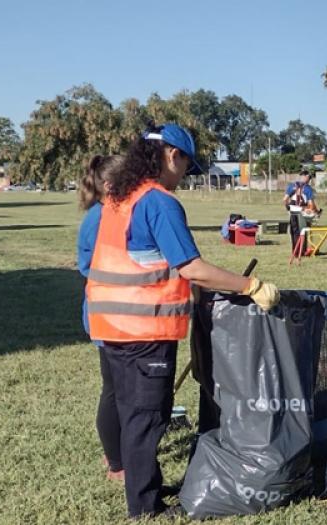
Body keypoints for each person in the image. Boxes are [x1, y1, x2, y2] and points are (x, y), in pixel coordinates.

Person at [85, 123, 280, 519]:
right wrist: (250, 285)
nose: (182, 180)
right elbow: (192, 267)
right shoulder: (158, 202)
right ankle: (145, 507)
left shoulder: (118, 198)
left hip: (110, 327)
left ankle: (144, 485)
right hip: (144, 330)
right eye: (186, 167)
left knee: (130, 412)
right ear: (172, 155)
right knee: (147, 419)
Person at [76, 154, 127, 482]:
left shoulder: (107, 213)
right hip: (108, 315)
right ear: (110, 186)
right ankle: (117, 465)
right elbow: (92, 266)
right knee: (114, 390)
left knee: (119, 389)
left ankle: (118, 453)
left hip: (114, 313)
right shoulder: (101, 218)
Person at [282, 169, 320, 255]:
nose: (310, 180)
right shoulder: (308, 188)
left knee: (294, 232)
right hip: (303, 212)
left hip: (293, 212)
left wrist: (289, 209)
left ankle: (295, 252)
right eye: (309, 178)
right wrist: (316, 211)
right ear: (306, 177)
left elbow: (285, 200)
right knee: (303, 231)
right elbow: (311, 204)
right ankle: (301, 251)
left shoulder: (292, 186)